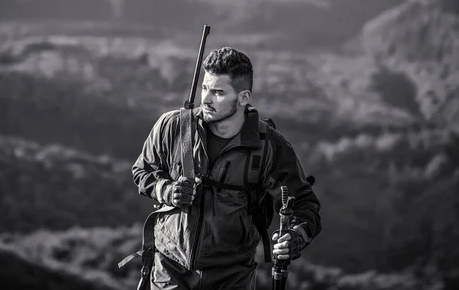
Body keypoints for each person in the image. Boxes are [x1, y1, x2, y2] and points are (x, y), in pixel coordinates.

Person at [132, 46, 322, 289]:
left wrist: (297, 236)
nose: (206, 99)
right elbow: (142, 172)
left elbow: (305, 205)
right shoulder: (173, 127)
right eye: (204, 88)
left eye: (218, 92)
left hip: (232, 277)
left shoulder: (268, 147)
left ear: (243, 98)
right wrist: (165, 191)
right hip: (169, 271)